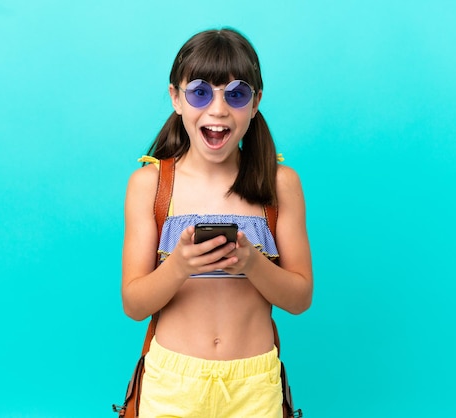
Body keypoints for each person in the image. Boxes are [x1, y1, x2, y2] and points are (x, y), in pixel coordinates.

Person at [121, 27, 313, 418]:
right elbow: (134, 304)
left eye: (237, 94)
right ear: (176, 97)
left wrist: (252, 263)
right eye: (200, 92)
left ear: (256, 102)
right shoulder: (150, 185)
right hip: (172, 382)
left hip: (254, 384)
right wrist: (179, 266)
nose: (219, 109)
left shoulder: (281, 185)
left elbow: (300, 299)